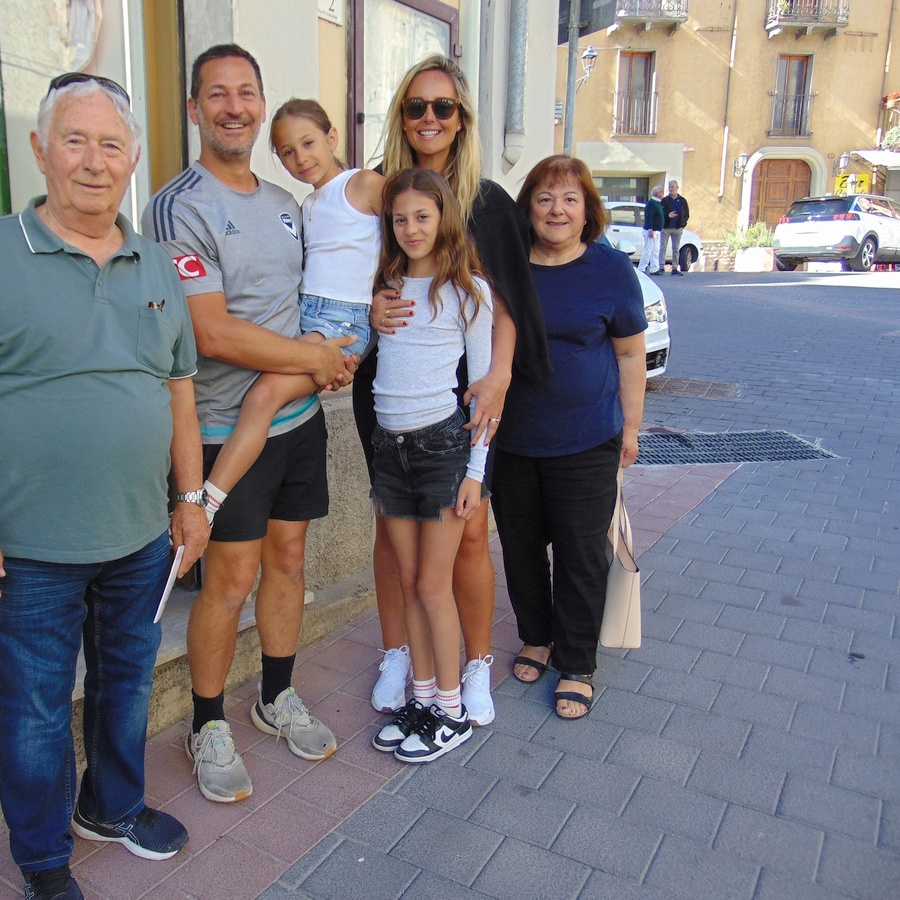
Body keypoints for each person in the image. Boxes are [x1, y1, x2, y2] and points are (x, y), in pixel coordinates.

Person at [0, 74, 209, 900]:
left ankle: (111, 808)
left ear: (134, 159)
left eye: (110, 144)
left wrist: (191, 500)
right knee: (36, 716)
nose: (92, 161)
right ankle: (43, 862)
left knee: (126, 684)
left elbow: (180, 389)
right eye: (74, 141)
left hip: (139, 541)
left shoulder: (157, 263)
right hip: (24, 552)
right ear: (40, 151)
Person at [142, 45, 356, 804]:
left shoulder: (286, 204)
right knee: (228, 580)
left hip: (297, 419)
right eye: (217, 94)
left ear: (261, 105)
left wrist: (339, 351)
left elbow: (321, 298)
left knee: (290, 562)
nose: (234, 106)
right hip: (221, 429)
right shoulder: (179, 205)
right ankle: (206, 721)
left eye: (246, 93)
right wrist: (313, 353)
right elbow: (212, 335)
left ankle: (274, 695)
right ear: (194, 109)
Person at [362, 55, 551, 726]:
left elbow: (505, 306)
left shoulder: (485, 202)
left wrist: (498, 376)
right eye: (417, 106)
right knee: (393, 532)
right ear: (402, 116)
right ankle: (400, 655)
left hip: (464, 397)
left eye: (444, 107)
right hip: (389, 391)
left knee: (466, 535)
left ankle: (470, 665)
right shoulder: (380, 193)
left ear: (461, 117)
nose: (430, 119)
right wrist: (370, 312)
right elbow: (355, 279)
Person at [494, 155, 647, 721]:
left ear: (587, 211)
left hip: (587, 439)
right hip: (513, 439)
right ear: (528, 209)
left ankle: (578, 662)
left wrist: (629, 428)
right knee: (522, 547)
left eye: (570, 199)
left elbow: (631, 353)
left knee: (582, 556)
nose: (557, 209)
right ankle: (537, 636)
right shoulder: (507, 268)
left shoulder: (610, 271)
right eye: (544, 198)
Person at [198, 98, 382, 522]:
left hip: (341, 320)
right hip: (311, 317)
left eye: (308, 143)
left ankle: (207, 501)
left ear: (331, 137)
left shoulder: (364, 184)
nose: (300, 158)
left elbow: (410, 232)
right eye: (287, 152)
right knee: (264, 398)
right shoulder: (304, 206)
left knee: (262, 396)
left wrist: (385, 293)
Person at [368, 168, 493, 763]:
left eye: (422, 216)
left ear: (443, 217)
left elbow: (485, 393)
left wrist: (476, 471)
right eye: (400, 219)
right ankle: (420, 698)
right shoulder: (389, 285)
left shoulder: (469, 291)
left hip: (442, 449)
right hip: (388, 451)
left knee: (430, 585)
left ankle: (451, 708)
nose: (411, 228)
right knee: (409, 582)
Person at [661, 180, 691, 275]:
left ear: (677, 188)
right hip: (666, 227)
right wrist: (667, 216)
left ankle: (674, 268)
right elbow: (661, 213)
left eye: (672, 187)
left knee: (676, 249)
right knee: (663, 248)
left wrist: (683, 225)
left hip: (677, 228)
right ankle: (661, 267)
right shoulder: (665, 200)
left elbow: (686, 214)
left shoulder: (682, 201)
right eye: (669, 187)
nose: (670, 189)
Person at [639, 184, 665, 276]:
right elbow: (649, 217)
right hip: (651, 230)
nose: (663, 193)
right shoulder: (652, 203)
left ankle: (654, 268)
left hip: (657, 231)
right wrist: (651, 229)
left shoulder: (658, 203)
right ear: (657, 193)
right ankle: (641, 268)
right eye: (661, 192)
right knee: (648, 250)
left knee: (655, 250)